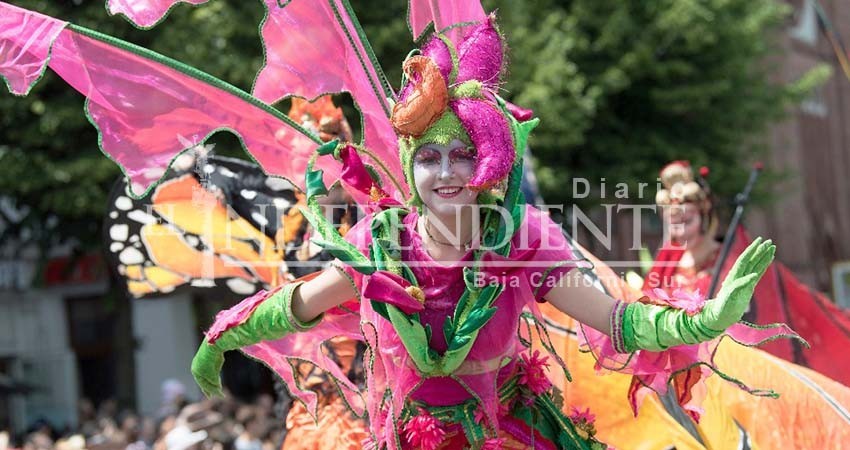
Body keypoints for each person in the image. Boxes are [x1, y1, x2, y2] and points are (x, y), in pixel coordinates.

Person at [189, 18, 780, 449]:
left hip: (510, 435)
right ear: (411, 167)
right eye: (430, 157)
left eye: (462, 155)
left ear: (487, 166)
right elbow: (300, 303)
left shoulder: (519, 242)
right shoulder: (382, 246)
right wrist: (223, 334)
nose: (446, 171)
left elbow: (615, 320)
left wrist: (701, 320)